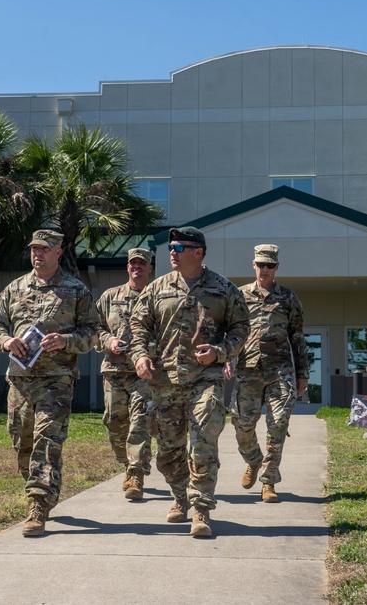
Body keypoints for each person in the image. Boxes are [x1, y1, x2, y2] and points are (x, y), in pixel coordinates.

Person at [128, 226, 250, 538]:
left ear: (199, 252)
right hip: (165, 379)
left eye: (179, 247)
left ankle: (201, 509)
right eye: (171, 247)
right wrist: (140, 355)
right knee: (169, 450)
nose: (172, 252)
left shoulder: (224, 290)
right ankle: (179, 497)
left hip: (206, 378)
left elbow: (241, 329)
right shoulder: (156, 289)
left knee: (203, 443)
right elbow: (139, 325)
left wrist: (221, 352)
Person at [0, 229, 99, 537]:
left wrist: (66, 340)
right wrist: (7, 341)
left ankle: (38, 504)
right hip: (20, 381)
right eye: (34, 248)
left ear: (58, 252)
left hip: (57, 381)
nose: (38, 254)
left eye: (45, 249)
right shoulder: (15, 288)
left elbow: (92, 333)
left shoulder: (75, 290)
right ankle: (41, 486)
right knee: (22, 444)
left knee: (47, 441)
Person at [230, 244, 309, 503]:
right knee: (242, 425)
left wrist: (302, 374)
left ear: (277, 267)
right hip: (247, 370)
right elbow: (230, 332)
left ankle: (269, 481)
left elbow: (297, 337)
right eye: (260, 264)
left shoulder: (288, 298)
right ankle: (253, 460)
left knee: (278, 424)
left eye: (270, 265)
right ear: (253, 265)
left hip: (280, 370)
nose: (264, 269)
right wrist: (227, 359)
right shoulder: (239, 295)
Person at [95, 247, 156, 500]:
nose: (137, 267)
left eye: (142, 263)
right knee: (114, 423)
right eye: (133, 263)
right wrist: (108, 341)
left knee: (139, 421)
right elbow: (94, 328)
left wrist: (151, 352)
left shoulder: (158, 297)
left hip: (144, 373)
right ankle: (127, 462)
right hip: (114, 371)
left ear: (150, 268)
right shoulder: (110, 296)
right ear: (127, 266)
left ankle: (136, 472)